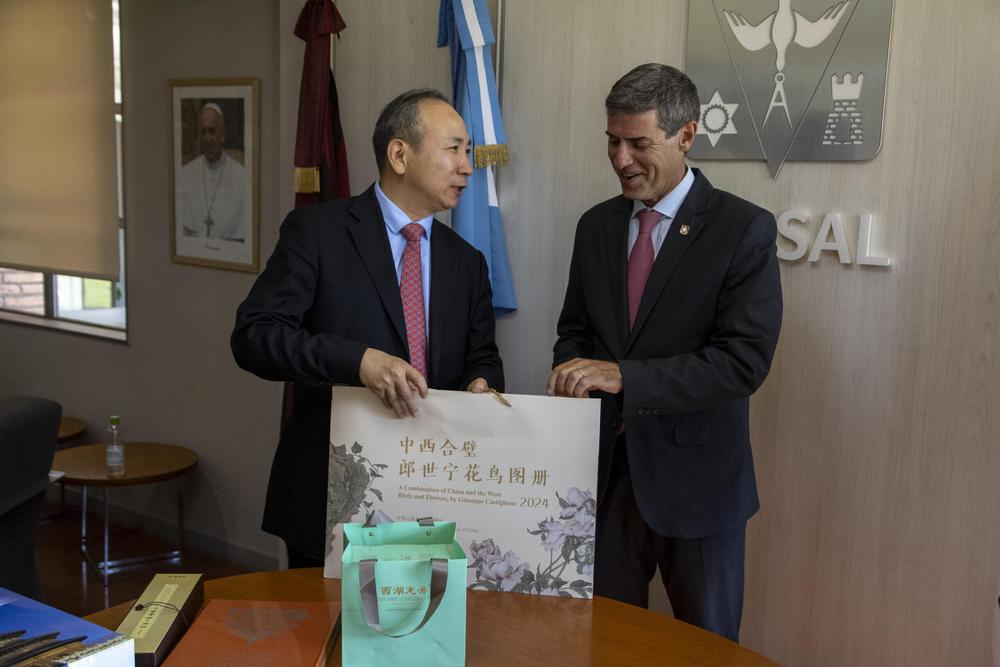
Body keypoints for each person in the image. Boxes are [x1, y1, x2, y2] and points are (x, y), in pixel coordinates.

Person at [546, 63, 782, 641]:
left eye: (638, 143)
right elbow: (574, 331)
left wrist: (624, 377)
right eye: (612, 141)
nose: (621, 159)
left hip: (698, 488)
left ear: (685, 136)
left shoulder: (742, 229)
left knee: (705, 649)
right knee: (600, 642)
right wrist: (571, 369)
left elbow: (742, 362)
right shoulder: (595, 227)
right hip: (603, 482)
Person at [231, 89, 504, 567]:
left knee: (421, 635)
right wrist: (357, 361)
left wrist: (481, 386)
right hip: (330, 493)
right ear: (400, 154)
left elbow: (481, 356)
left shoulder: (468, 262)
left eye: (469, 152)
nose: (468, 166)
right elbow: (254, 337)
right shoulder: (317, 232)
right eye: (454, 149)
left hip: (432, 492)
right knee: (324, 638)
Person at [176, 102, 249, 242]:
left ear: (222, 134)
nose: (207, 139)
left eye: (212, 131)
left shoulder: (242, 176)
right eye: (203, 132)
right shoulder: (185, 175)